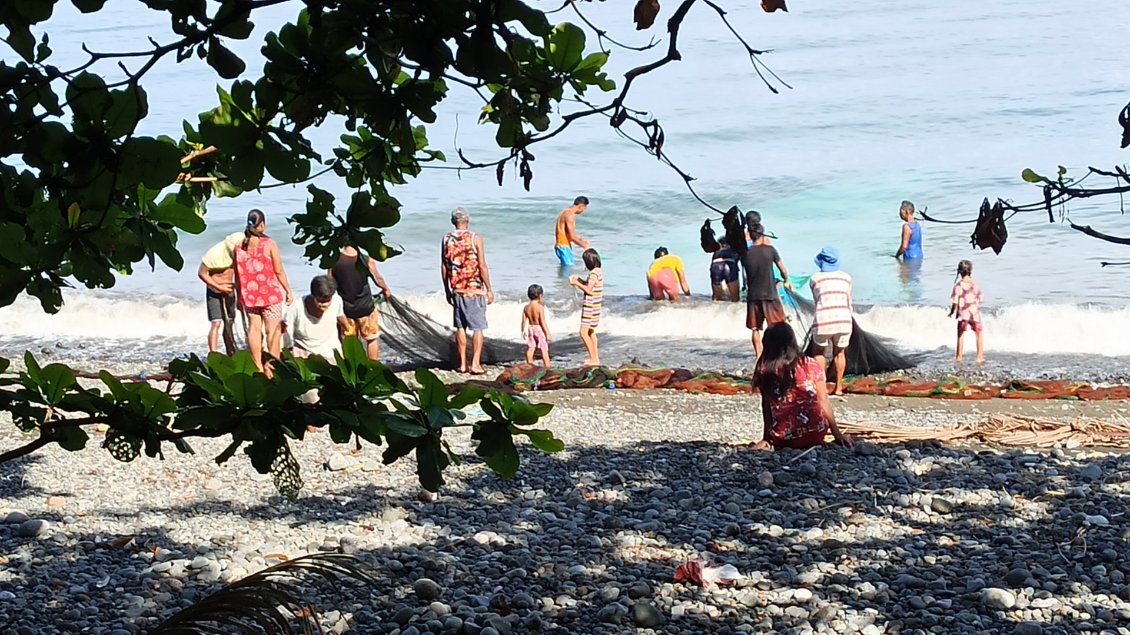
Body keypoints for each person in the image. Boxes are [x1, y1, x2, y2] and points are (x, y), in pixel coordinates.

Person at [752, 323, 853, 451]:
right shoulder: (811, 364)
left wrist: (766, 438)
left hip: (783, 439)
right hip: (816, 435)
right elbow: (823, 400)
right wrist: (837, 434)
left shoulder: (765, 370)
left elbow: (766, 405)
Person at [234, 209, 293, 375]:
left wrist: (239, 296)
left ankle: (258, 367)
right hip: (270, 295)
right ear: (262, 225)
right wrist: (288, 290)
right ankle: (272, 367)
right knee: (272, 332)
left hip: (249, 295)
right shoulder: (269, 244)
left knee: (254, 329)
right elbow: (279, 271)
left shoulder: (239, 246)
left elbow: (237, 275)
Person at [441, 207, 494, 374]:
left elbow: (444, 266)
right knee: (478, 328)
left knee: (460, 327)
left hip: (457, 290)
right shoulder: (475, 238)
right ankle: (476, 363)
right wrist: (489, 288)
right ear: (468, 221)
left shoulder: (446, 239)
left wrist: (447, 289)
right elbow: (482, 265)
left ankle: (463, 363)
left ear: (453, 222)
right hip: (474, 290)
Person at [329, 245, 392, 361]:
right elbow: (378, 279)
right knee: (371, 338)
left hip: (345, 309)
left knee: (350, 342)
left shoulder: (334, 260)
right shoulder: (365, 259)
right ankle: (373, 367)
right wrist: (386, 289)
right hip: (366, 308)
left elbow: (329, 283)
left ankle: (353, 368)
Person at [741, 221, 791, 358]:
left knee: (755, 328)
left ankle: (759, 357)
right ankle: (778, 354)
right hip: (770, 295)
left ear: (750, 236)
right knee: (778, 326)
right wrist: (787, 280)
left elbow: (746, 278)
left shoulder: (745, 254)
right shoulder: (770, 250)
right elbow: (783, 270)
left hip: (753, 296)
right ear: (763, 235)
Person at [808, 247, 853, 396]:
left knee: (819, 352)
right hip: (844, 319)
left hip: (823, 320)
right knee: (840, 353)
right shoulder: (846, 277)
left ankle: (821, 387)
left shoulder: (815, 278)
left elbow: (817, 300)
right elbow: (848, 299)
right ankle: (839, 388)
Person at [197, 231, 244, 355]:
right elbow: (201, 273)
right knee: (216, 323)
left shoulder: (237, 256)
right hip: (214, 290)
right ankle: (213, 353)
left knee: (229, 323)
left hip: (229, 291)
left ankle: (231, 351)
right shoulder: (214, 254)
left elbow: (239, 276)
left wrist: (239, 296)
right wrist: (218, 286)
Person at [283, 275, 347, 361]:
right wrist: (289, 350)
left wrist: (348, 329)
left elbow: (341, 317)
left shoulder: (337, 300)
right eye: (321, 301)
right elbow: (285, 330)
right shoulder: (297, 307)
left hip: (330, 352)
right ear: (313, 296)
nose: (325, 305)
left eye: (328, 300)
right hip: (305, 353)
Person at [569, 248, 603, 366]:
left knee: (583, 332)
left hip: (590, 306)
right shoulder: (598, 271)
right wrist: (579, 280)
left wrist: (577, 283)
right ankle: (595, 358)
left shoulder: (593, 273)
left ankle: (593, 358)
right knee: (591, 332)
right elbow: (590, 286)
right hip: (596, 306)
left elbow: (589, 290)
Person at [949, 259, 984, 363]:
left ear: (959, 271)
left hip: (963, 314)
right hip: (974, 313)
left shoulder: (958, 286)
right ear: (971, 270)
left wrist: (952, 312)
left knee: (960, 335)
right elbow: (980, 300)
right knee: (979, 334)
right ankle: (979, 357)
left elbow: (954, 302)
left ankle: (959, 357)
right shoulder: (975, 285)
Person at [521, 284, 552, 367]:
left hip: (530, 328)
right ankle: (548, 366)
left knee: (531, 347)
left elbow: (523, 321)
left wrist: (523, 331)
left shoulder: (526, 307)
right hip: (539, 329)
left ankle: (529, 364)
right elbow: (542, 322)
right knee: (543, 348)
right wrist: (547, 333)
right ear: (540, 295)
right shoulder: (540, 307)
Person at [554, 196, 590, 266]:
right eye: (584, 208)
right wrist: (585, 246)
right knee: (569, 268)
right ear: (581, 206)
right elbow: (572, 236)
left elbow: (567, 233)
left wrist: (580, 239)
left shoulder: (566, 212)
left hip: (562, 245)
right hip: (563, 246)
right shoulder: (569, 215)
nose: (583, 211)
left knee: (566, 268)